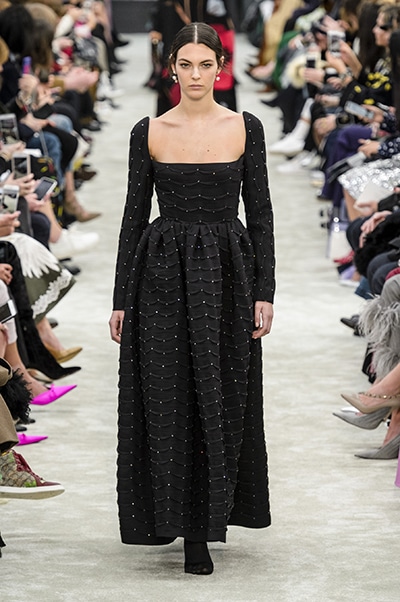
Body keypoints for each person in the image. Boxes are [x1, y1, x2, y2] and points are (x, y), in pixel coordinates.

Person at [109, 22, 275, 575]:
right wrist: (120, 299)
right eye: (187, 64)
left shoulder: (245, 127)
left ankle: (204, 527)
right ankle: (171, 520)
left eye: (206, 64)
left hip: (228, 276)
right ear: (171, 68)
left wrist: (266, 291)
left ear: (221, 68)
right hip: (160, 274)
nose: (196, 75)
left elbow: (262, 213)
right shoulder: (149, 130)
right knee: (166, 394)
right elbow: (133, 218)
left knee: (220, 393)